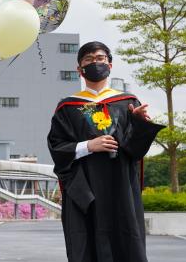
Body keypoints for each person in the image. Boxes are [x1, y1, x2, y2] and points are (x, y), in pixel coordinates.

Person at [48, 41, 165, 262]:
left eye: (100, 58)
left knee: (126, 242)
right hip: (85, 187)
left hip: (121, 187)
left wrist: (139, 123)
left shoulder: (128, 102)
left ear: (110, 65)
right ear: (79, 69)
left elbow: (135, 151)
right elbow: (56, 146)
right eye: (88, 59)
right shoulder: (68, 108)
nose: (95, 62)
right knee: (86, 243)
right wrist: (88, 146)